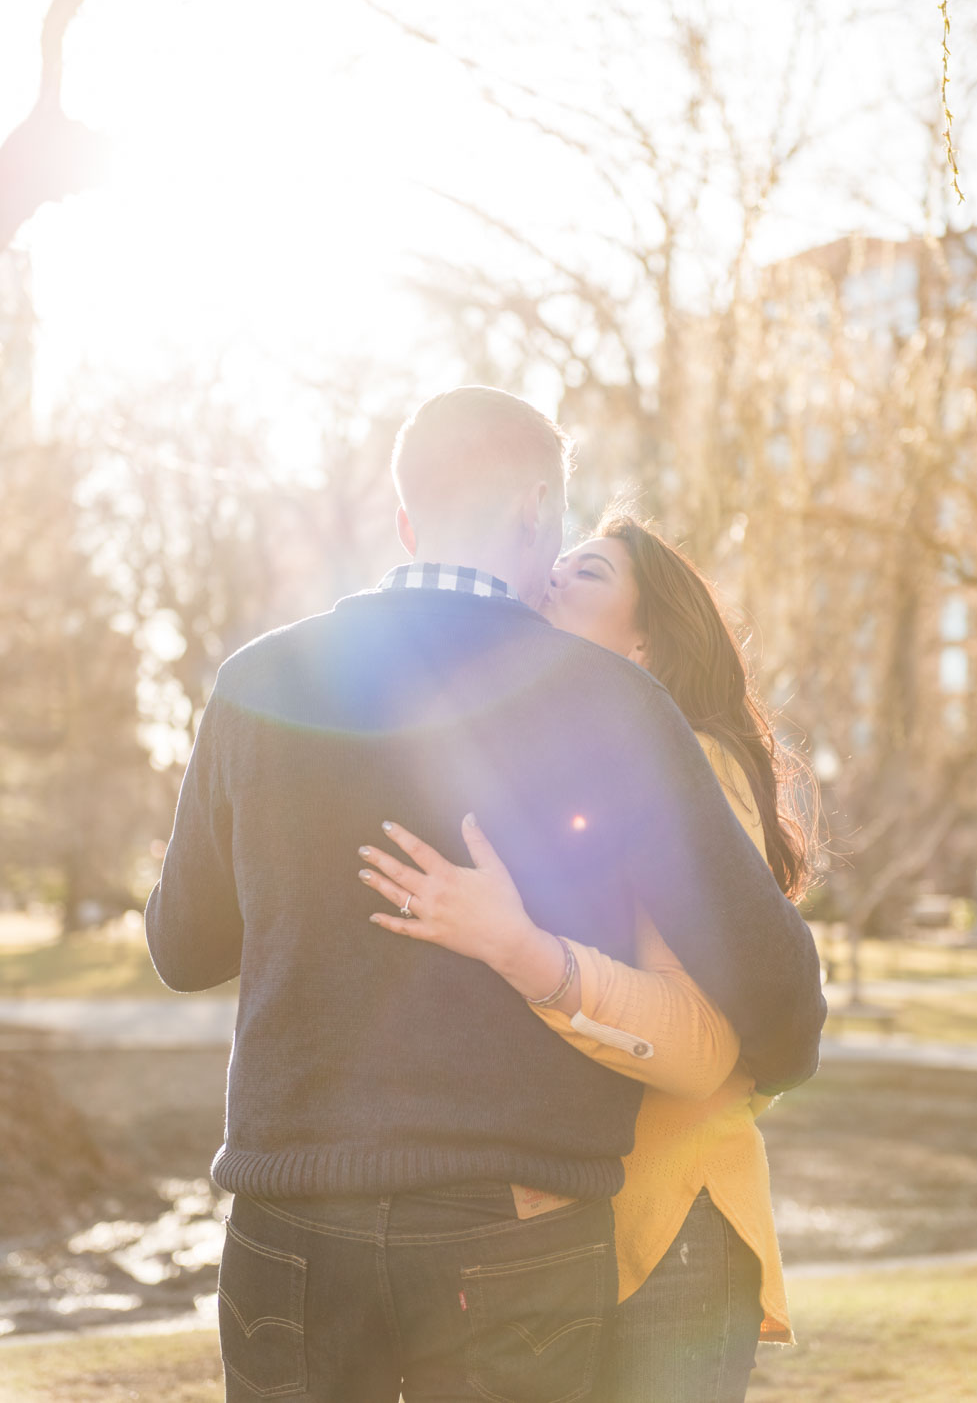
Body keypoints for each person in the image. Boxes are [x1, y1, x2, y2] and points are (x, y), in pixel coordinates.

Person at [145, 386, 825, 1403]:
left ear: (406, 518)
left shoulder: (258, 682)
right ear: (534, 510)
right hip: (513, 1220)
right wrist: (772, 1058)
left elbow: (185, 947)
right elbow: (776, 993)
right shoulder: (609, 701)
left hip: (292, 1213)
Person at [357, 508, 817, 1403]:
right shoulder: (566, 757)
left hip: (671, 1220)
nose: (556, 577)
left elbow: (701, 1050)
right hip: (561, 1227)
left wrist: (519, 948)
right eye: (556, 562)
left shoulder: (694, 765)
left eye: (592, 574)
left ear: (647, 649)